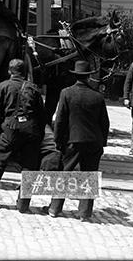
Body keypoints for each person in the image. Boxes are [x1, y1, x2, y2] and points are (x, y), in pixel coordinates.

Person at [0, 59, 47, 207]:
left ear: (9, 71)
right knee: (29, 167)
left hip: (10, 129)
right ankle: (24, 204)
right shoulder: (33, 88)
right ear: (25, 72)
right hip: (31, 130)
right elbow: (42, 115)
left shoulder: (4, 86)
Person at [47, 59, 110, 220]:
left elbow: (60, 120)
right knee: (89, 176)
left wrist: (58, 141)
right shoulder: (97, 96)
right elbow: (105, 122)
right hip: (93, 141)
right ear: (89, 77)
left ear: (75, 76)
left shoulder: (66, 93)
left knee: (64, 174)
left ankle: (55, 208)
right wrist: (102, 142)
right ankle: (84, 213)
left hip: (72, 141)